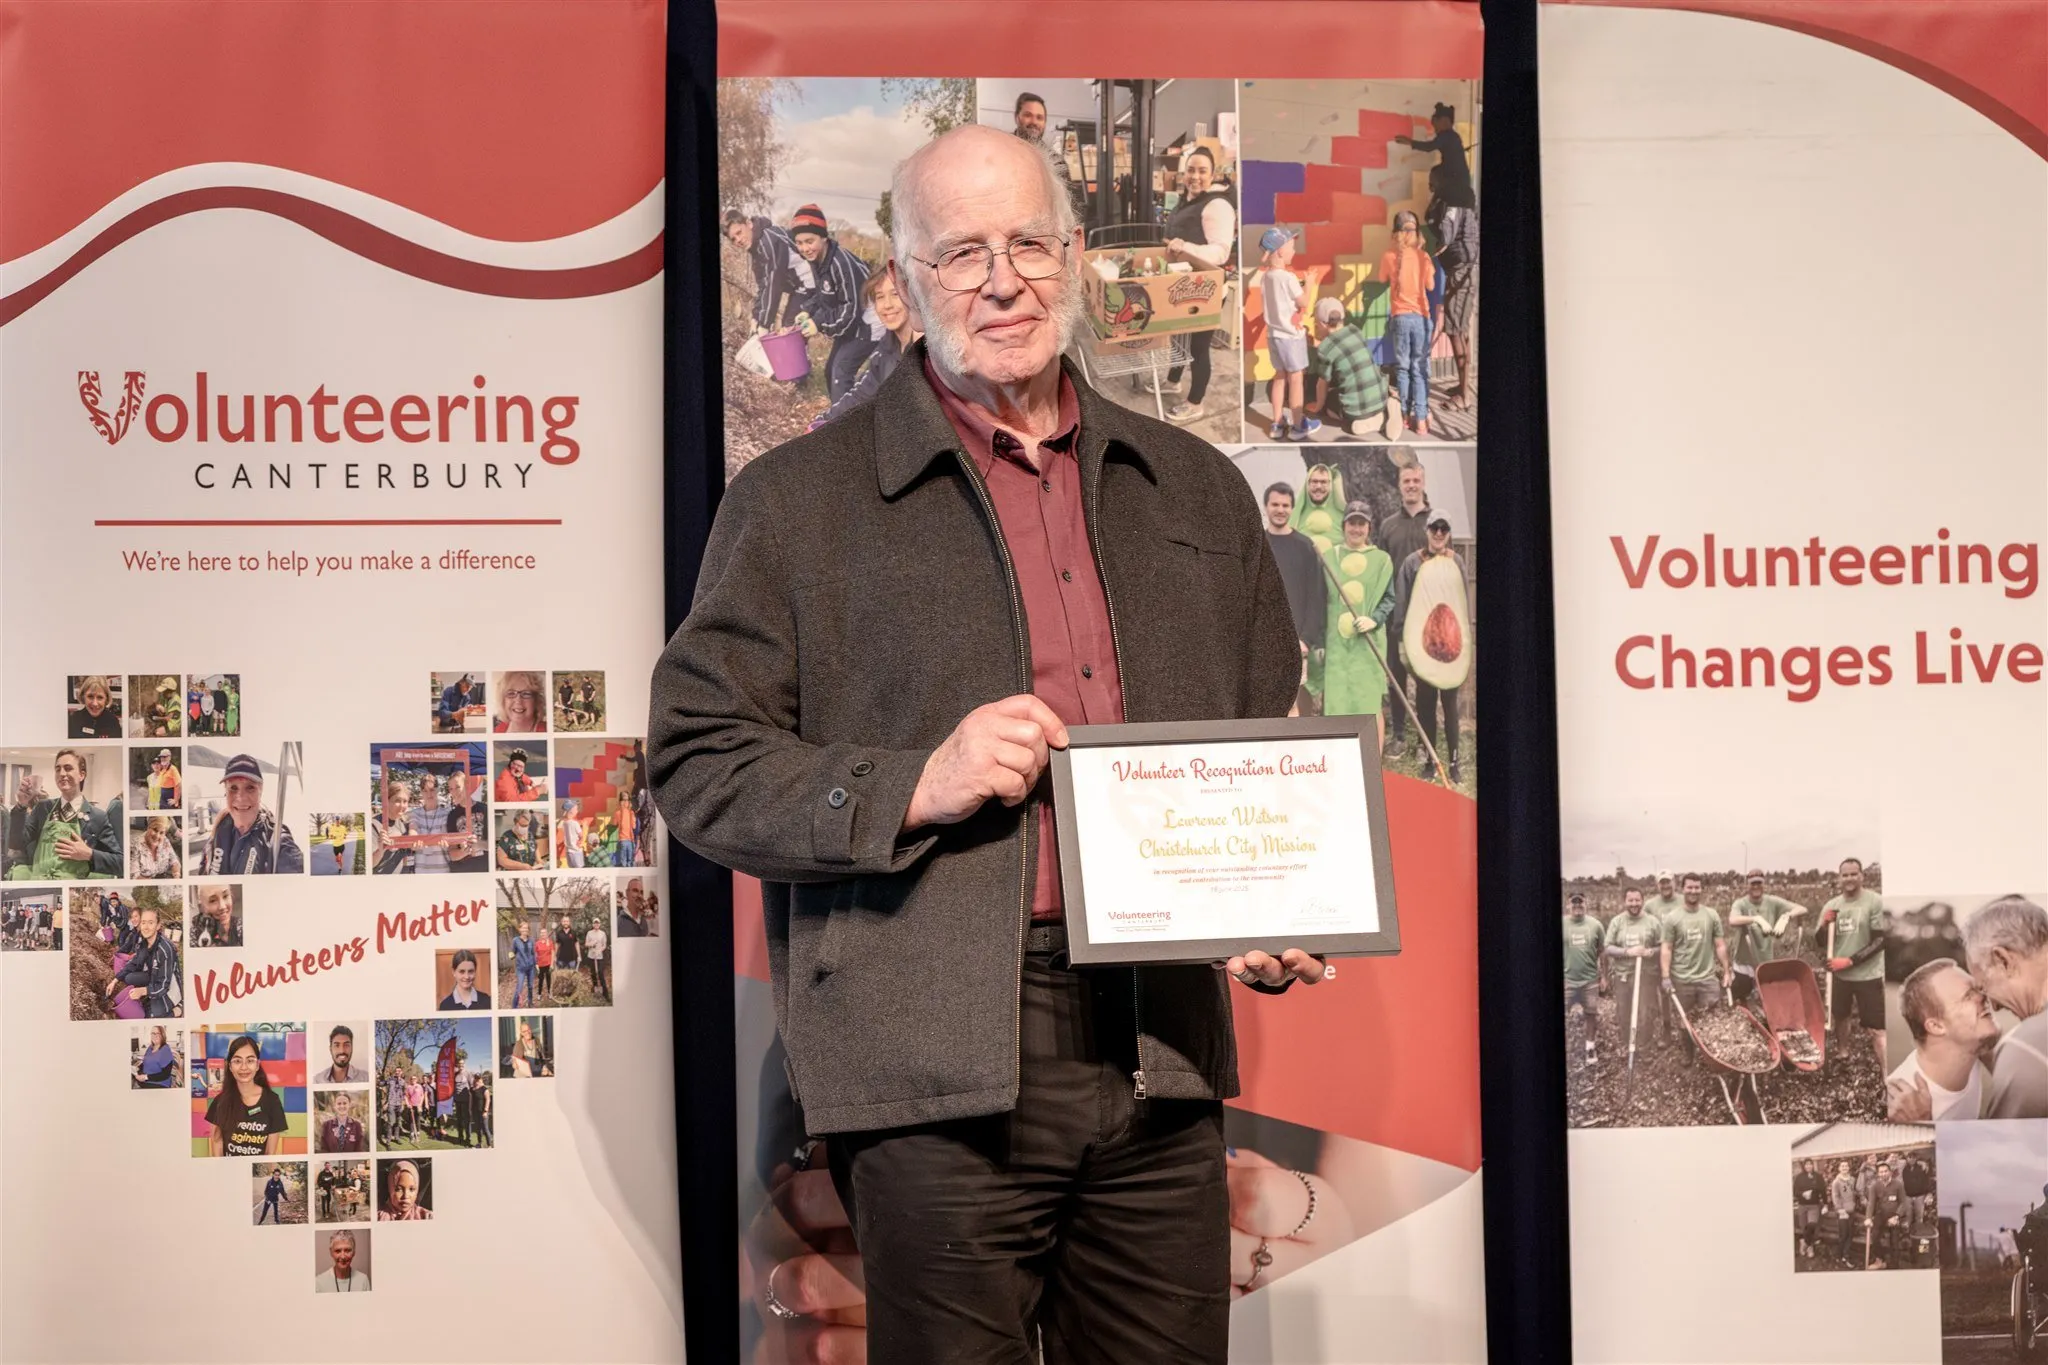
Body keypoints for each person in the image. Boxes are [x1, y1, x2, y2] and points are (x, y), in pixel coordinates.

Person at [651, 123, 1324, 1363]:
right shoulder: (796, 504)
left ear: (1075, 257)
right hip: (931, 1067)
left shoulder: (1193, 488)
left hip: (1159, 1046)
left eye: (1027, 243)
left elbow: (1257, 742)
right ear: (901, 283)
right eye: (960, 252)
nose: (1001, 281)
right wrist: (916, 783)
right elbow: (697, 765)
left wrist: (1266, 905)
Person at [1160, 146, 1234, 425]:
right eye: (1191, 170)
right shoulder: (1187, 200)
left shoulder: (1217, 205)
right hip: (1185, 286)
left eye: (1202, 171)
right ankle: (1173, 381)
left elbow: (1221, 252)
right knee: (1179, 338)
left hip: (1207, 290)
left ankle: (1195, 402)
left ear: (1212, 175)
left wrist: (1185, 247)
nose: (1195, 176)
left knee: (1198, 348)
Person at [1394, 516, 1469, 782]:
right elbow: (1402, 602)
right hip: (1423, 644)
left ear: (1448, 533)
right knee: (1425, 705)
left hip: (1450, 643)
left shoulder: (1456, 561)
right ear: (1427, 530)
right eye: (1434, 528)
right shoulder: (1412, 563)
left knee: (1450, 707)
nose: (1438, 533)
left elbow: (1463, 602)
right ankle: (1430, 761)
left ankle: (1454, 763)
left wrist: (1465, 643)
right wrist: (1402, 640)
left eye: (1444, 528)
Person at [1960, 894, 2048, 1118]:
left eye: (1984, 986)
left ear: (2003, 961)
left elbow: (2005, 1142)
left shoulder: (2026, 1047)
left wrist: (1927, 1120)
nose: (1994, 1006)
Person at [1318, 503, 1395, 743]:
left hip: (1368, 647)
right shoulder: (1329, 558)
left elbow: (1389, 598)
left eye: (1362, 523)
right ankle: (1339, 760)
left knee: (1369, 705)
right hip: (1337, 649)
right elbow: (1320, 601)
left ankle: (1372, 760)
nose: (1356, 528)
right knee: (1337, 705)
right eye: (1352, 523)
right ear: (1344, 526)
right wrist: (1319, 642)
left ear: (1369, 527)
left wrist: (1374, 619)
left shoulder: (1381, 561)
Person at [787, 204, 877, 404]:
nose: (804, 248)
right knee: (830, 372)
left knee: (840, 373)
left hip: (869, 323)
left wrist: (818, 323)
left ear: (823, 237)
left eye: (809, 241)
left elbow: (850, 311)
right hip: (853, 322)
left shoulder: (840, 263)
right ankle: (842, 413)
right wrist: (808, 311)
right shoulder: (818, 260)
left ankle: (846, 420)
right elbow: (824, 295)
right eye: (799, 243)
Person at [812, 270, 923, 431]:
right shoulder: (885, 350)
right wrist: (824, 421)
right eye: (880, 297)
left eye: (895, 294)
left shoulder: (929, 351)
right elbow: (861, 395)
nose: (887, 305)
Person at [1886, 958, 1997, 1120]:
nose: (1983, 996)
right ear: (1936, 1026)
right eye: (1968, 995)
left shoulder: (1974, 1046)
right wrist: (1919, 1126)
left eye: (1978, 989)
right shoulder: (1899, 1107)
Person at [1257, 483, 1327, 714]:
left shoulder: (1305, 546)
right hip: (1262, 641)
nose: (1280, 509)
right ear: (1266, 506)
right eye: (1275, 504)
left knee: (1296, 706)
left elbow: (1316, 597)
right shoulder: (1257, 545)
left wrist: (1305, 639)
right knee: (1265, 705)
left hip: (1296, 642)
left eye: (1285, 505)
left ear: (1292, 508)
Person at [1374, 459, 1429, 743]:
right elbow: (1381, 573)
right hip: (1395, 615)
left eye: (1416, 480)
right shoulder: (1388, 526)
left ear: (1423, 483)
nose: (1411, 485)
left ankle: (1424, 739)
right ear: (1399, 484)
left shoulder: (1435, 524)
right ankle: (1398, 734)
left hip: (1426, 615)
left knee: (1424, 677)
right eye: (1406, 481)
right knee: (1396, 677)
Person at [9, 750, 121, 880]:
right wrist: (21, 805)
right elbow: (16, 844)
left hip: (71, 888)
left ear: (81, 775)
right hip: (41, 882)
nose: (62, 774)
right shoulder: (43, 808)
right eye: (58, 769)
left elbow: (119, 862)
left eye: (68, 768)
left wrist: (89, 854)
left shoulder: (98, 817)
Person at [1819, 857, 1887, 1069]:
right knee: (1841, 1016)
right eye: (1845, 875)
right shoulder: (1832, 905)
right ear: (1839, 878)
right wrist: (1824, 925)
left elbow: (1880, 940)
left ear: (1861, 876)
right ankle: (1843, 1053)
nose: (1849, 878)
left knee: (1876, 1027)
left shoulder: (1875, 902)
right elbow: (1820, 941)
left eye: (1853, 874)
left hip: (1869, 974)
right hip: (1840, 975)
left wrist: (1849, 961)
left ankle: (1887, 1072)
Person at [1377, 211, 1437, 439]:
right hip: (1421, 318)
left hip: (1400, 318)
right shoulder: (1424, 257)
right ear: (1416, 232)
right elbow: (1431, 286)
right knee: (1419, 370)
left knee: (1402, 369)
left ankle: (1403, 416)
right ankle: (1420, 420)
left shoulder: (1388, 256)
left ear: (1396, 233)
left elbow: (1382, 279)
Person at [1425, 162, 1478, 409]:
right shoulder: (1461, 199)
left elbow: (1446, 234)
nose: (1430, 185)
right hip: (1463, 269)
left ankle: (1464, 396)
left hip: (1461, 272)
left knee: (1455, 331)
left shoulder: (1452, 203)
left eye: (1433, 180)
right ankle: (1463, 385)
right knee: (1460, 330)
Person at [1257, 227, 1319, 440]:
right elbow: (1303, 302)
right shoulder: (1288, 278)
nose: (1294, 251)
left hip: (1273, 336)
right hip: (1291, 338)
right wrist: (1309, 283)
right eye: (1292, 247)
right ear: (1281, 252)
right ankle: (1298, 425)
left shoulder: (1266, 277)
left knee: (1279, 377)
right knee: (1296, 379)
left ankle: (1276, 423)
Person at [198, 753, 303, 875]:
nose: (241, 798)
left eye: (250, 788)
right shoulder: (216, 834)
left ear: (261, 791)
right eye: (233, 788)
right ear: (225, 791)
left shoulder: (277, 840)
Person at [1660, 873, 1731, 1047]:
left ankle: (1709, 1053)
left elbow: (1720, 945)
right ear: (1683, 889)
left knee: (1711, 1020)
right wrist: (1666, 977)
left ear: (1702, 889)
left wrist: (1727, 971)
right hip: (1682, 979)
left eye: (1697, 887)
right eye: (1690, 887)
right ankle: (1688, 1052)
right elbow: (1666, 948)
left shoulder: (1711, 915)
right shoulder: (1673, 918)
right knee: (1685, 1020)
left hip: (1707, 978)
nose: (1693, 891)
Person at [1305, 296, 1388, 437]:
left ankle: (1359, 421)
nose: (1316, 326)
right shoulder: (1355, 331)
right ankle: (1381, 415)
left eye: (1316, 323)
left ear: (1323, 324)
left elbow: (1322, 384)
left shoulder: (1326, 349)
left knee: (1329, 400)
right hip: (1380, 399)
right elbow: (1341, 347)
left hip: (1356, 410)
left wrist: (1318, 408)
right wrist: (1317, 344)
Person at [1727, 870, 1808, 1003]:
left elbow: (1802, 909)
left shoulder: (1772, 901)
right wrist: (1756, 919)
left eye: (1759, 883)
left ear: (1764, 884)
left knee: (1765, 1000)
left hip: (1765, 962)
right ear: (1747, 885)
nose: (1756, 886)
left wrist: (1786, 916)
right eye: (1752, 883)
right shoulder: (1741, 903)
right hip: (1744, 964)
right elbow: (1732, 920)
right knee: (1740, 1000)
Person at [1601, 888, 1665, 1053]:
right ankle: (1628, 1045)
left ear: (1642, 901)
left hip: (1645, 975)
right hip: (1623, 976)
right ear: (1625, 901)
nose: (1634, 904)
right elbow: (1608, 948)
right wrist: (1627, 952)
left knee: (1645, 1013)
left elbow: (1663, 946)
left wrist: (1650, 952)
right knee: (1624, 1012)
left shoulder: (1652, 922)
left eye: (1637, 900)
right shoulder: (1617, 922)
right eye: (1630, 900)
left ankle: (1644, 1046)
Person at [725, 208, 803, 335]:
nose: (738, 240)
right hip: (800, 288)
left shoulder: (768, 241)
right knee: (788, 329)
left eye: (739, 232)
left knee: (790, 330)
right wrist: (756, 317)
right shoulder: (756, 249)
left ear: (749, 224)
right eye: (733, 239)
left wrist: (764, 324)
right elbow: (763, 285)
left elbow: (774, 284)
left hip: (813, 282)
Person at [206, 1034, 287, 1156]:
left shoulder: (272, 1101)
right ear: (230, 1066)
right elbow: (217, 1145)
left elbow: (270, 1154)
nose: (244, 1067)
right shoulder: (220, 1102)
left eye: (250, 1061)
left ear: (257, 1065)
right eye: (237, 1061)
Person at [1395, 102, 1475, 209]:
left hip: (1456, 183)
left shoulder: (1447, 136)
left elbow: (1429, 147)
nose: (1435, 130)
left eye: (1435, 125)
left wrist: (1410, 142)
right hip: (1459, 182)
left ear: (1445, 121)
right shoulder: (1453, 137)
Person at [109, 903, 180, 1018]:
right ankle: (151, 997)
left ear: (158, 925)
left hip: (169, 988)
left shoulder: (165, 950)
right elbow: (134, 963)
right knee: (129, 978)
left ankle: (178, 1009)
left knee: (150, 1016)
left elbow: (164, 986)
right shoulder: (144, 943)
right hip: (154, 978)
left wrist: (143, 991)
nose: (146, 927)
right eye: (143, 923)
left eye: (150, 923)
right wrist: (114, 981)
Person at [1563, 893, 1606, 1064]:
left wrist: (1604, 977)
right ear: (1568, 905)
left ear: (1586, 904)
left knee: (1591, 1014)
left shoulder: (1595, 925)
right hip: (1567, 980)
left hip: (1590, 981)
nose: (1577, 906)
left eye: (1580, 902)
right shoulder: (1562, 923)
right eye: (1573, 903)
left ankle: (1590, 1047)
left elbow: (1602, 951)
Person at [443, 769, 489, 874]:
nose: (454, 792)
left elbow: (494, 844)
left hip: (484, 869)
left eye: (458, 787)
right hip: (461, 871)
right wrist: (464, 851)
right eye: (451, 788)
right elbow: (452, 854)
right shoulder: (452, 816)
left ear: (467, 786)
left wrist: (479, 844)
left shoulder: (485, 809)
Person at [1867, 1160, 1906, 1267]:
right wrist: (1868, 1217)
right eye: (1881, 1172)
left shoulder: (1898, 1184)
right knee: (1874, 1236)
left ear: (1890, 1172)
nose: (1883, 1174)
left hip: (1894, 1215)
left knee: (1894, 1240)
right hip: (1881, 1215)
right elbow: (1871, 1203)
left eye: (1885, 1171)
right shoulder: (1874, 1186)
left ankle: (1894, 1265)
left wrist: (1897, 1216)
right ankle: (1880, 1260)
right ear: (1878, 1174)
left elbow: (1903, 1202)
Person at [1793, 1159, 1826, 1261]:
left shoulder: (1818, 1177)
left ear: (1813, 1165)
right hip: (1802, 1205)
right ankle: (1808, 1245)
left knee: (1811, 1225)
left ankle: (1806, 1244)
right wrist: (1802, 1194)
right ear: (1804, 1166)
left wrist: (1825, 1205)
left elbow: (1823, 1191)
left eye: (1810, 1164)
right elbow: (1795, 1192)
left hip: (1814, 1205)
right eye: (1807, 1164)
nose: (1808, 1166)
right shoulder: (1799, 1177)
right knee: (1804, 1227)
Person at [1828, 1159, 1860, 1267]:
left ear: (1849, 1168)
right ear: (1839, 1168)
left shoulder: (1852, 1179)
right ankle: (1840, 1256)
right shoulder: (1836, 1182)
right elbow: (1835, 1197)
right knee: (1844, 1234)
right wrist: (1840, 1210)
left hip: (1851, 1210)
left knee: (1850, 1234)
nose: (1845, 1168)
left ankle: (1844, 1255)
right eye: (1842, 1166)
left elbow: (1854, 1193)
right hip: (1843, 1212)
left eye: (1846, 1166)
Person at [1900, 1149, 1933, 1233]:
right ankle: (1908, 1234)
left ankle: (1918, 1233)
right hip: (1907, 1196)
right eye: (1910, 1157)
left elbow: (1927, 1181)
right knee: (1908, 1216)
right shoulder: (1903, 1168)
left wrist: (1929, 1193)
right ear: (1907, 1158)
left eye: (1914, 1157)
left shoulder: (1922, 1168)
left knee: (1919, 1216)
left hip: (1920, 1196)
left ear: (1916, 1158)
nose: (1912, 1159)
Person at [510, 918, 537, 1005]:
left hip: (531, 967)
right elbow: (512, 951)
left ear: (528, 930)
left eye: (526, 928)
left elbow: (533, 953)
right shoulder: (515, 940)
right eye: (523, 928)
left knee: (530, 986)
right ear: (520, 929)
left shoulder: (531, 940)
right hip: (521, 968)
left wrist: (536, 964)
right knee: (519, 987)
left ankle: (530, 1002)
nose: (525, 929)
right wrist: (511, 955)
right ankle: (514, 1006)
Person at [584, 915, 610, 1002]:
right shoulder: (589, 933)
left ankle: (605, 993)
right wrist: (591, 944)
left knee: (600, 973)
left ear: (599, 924)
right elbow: (586, 944)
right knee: (593, 974)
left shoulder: (602, 933)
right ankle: (595, 989)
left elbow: (604, 945)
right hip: (591, 956)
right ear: (593, 924)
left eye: (597, 923)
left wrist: (599, 951)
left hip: (599, 957)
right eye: (595, 923)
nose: (596, 924)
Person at [559, 798, 586, 868]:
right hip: (576, 851)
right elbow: (581, 836)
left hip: (568, 852)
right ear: (571, 811)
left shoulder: (564, 823)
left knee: (571, 868)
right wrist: (580, 842)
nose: (577, 810)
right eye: (576, 809)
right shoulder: (575, 823)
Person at [534, 916, 556, 998]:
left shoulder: (550, 942)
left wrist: (552, 964)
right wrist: (536, 964)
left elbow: (553, 953)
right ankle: (539, 994)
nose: (543, 934)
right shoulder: (537, 943)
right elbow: (535, 954)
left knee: (548, 979)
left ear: (546, 934)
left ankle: (549, 993)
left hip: (548, 964)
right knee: (540, 980)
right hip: (540, 965)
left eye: (544, 933)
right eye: (542, 933)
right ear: (540, 934)